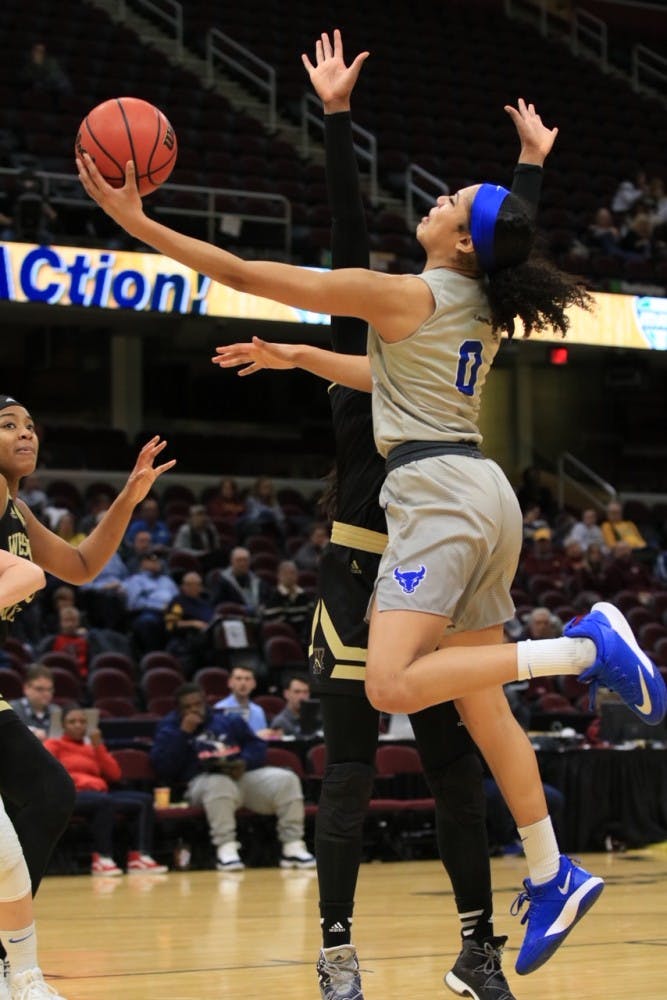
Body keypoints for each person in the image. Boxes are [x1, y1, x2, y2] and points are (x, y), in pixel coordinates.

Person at [77, 30, 667, 984]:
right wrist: (303, 357)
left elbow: (245, 275)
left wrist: (135, 219)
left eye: (448, 204)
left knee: (391, 685)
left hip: (434, 498)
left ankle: (587, 646)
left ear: (461, 243)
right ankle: (554, 868)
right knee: (484, 712)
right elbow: (390, 383)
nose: (433, 200)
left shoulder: (407, 295)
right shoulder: (475, 308)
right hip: (482, 492)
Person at [0, 392, 174, 998]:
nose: (26, 435)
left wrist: (128, 497)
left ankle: (9, 959)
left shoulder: (16, 513)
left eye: (30, 425)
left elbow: (81, 565)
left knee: (48, 793)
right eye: (8, 426)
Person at [150, 683, 315, 871]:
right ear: (178, 709)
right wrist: (183, 733)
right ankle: (226, 849)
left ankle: (292, 845)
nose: (194, 709)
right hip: (200, 784)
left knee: (286, 779)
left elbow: (257, 746)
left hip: (240, 776)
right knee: (219, 783)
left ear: (205, 702)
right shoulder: (169, 727)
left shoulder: (227, 720)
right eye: (188, 707)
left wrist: (244, 762)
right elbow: (164, 767)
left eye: (198, 704)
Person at [44, 705, 167, 876]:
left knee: (143, 800)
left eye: (82, 722)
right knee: (104, 801)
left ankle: (139, 857)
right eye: (72, 722)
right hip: (72, 795)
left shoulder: (92, 747)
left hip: (99, 794)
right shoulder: (54, 744)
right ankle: (102, 858)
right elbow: (46, 772)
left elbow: (114, 774)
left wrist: (99, 746)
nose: (78, 725)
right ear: (63, 726)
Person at [123, 550, 179, 657]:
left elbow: (178, 598)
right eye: (151, 561)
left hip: (171, 613)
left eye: (157, 561)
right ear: (142, 563)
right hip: (148, 613)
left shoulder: (167, 580)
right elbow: (132, 605)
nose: (156, 563)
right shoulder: (136, 580)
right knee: (148, 621)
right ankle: (154, 656)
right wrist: (158, 606)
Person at [164, 571, 216, 675]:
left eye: (197, 585)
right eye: (190, 585)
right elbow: (171, 625)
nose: (195, 588)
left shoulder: (206, 602)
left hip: (207, 641)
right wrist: (192, 623)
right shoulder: (177, 602)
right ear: (183, 586)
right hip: (184, 643)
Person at [261, 560, 314, 648]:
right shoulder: (273, 597)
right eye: (285, 573)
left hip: (305, 639)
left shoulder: (304, 595)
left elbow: (311, 617)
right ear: (279, 576)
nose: (290, 576)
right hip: (285, 642)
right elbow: (279, 625)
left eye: (293, 573)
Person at [211, 546, 271, 616]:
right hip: (234, 618)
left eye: (245, 560)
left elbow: (266, 601)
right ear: (232, 561)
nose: (242, 564)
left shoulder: (258, 581)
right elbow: (217, 605)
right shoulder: (221, 581)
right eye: (239, 560)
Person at [214, 664, 271, 737]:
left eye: (247, 679)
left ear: (254, 684)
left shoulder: (258, 711)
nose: (243, 683)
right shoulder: (220, 709)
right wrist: (254, 736)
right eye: (238, 679)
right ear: (230, 683)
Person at [9, 665, 61, 744]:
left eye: (50, 689)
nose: (46, 694)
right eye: (40, 689)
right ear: (26, 688)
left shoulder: (56, 711)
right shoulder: (11, 709)